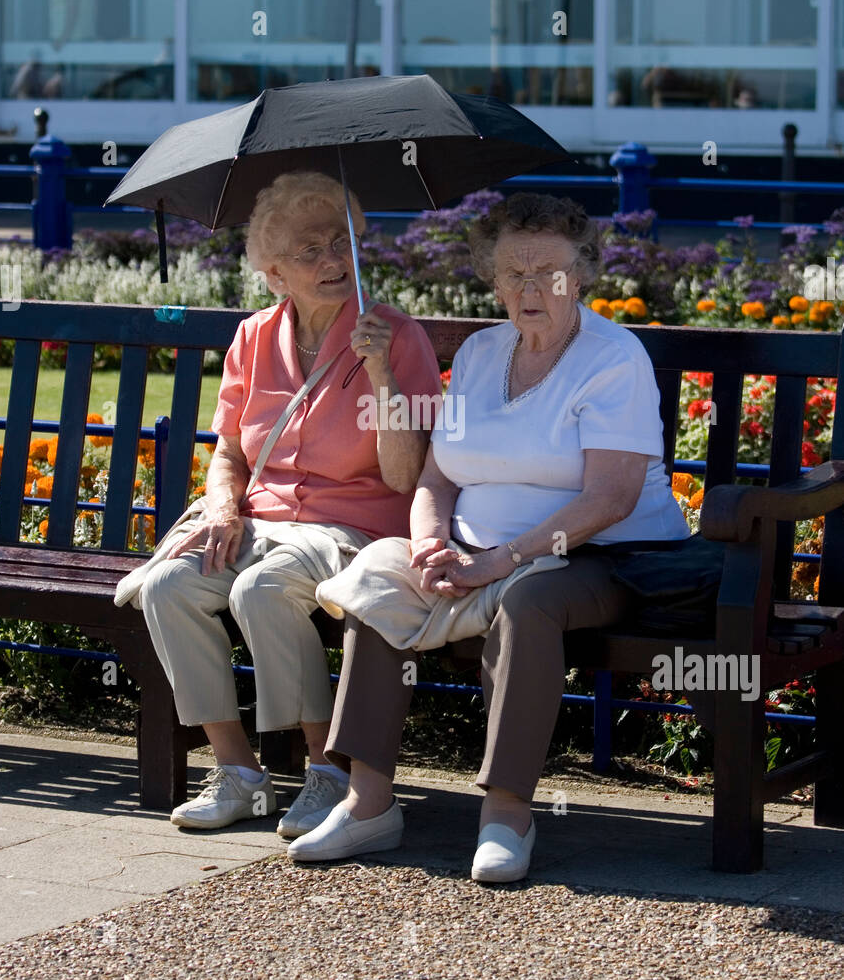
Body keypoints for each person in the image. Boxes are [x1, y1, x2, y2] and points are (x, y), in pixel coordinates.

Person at [287, 193, 689, 882]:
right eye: (513, 273)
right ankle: (368, 803)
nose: (530, 289)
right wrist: (428, 545)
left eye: (549, 272)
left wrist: (500, 560)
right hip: (475, 550)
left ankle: (507, 815)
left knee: (528, 602)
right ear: (493, 280)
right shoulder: (479, 353)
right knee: (378, 580)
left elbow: (608, 499)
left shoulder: (612, 358)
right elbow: (437, 479)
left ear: (583, 273)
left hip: (598, 556)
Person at [136, 172, 442, 836]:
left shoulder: (394, 334)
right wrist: (222, 507)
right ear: (274, 273)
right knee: (167, 586)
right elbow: (229, 455)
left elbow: (405, 476)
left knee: (262, 590)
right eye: (311, 250)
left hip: (353, 526)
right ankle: (238, 773)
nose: (333, 259)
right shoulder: (252, 339)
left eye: (341, 242)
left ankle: (326, 772)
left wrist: (384, 373)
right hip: (263, 519)